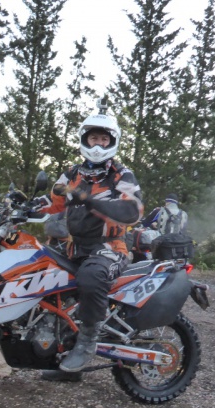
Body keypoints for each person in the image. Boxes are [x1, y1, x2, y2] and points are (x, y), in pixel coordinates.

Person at [33, 101, 144, 381]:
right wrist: (23, 206)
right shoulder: (73, 174)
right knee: (41, 274)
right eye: (93, 137)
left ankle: (87, 342)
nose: (97, 143)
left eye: (103, 138)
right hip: (75, 247)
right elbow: (53, 201)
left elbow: (132, 211)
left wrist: (90, 200)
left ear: (112, 141)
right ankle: (59, 353)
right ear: (85, 139)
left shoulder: (121, 175)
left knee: (91, 276)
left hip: (110, 249)